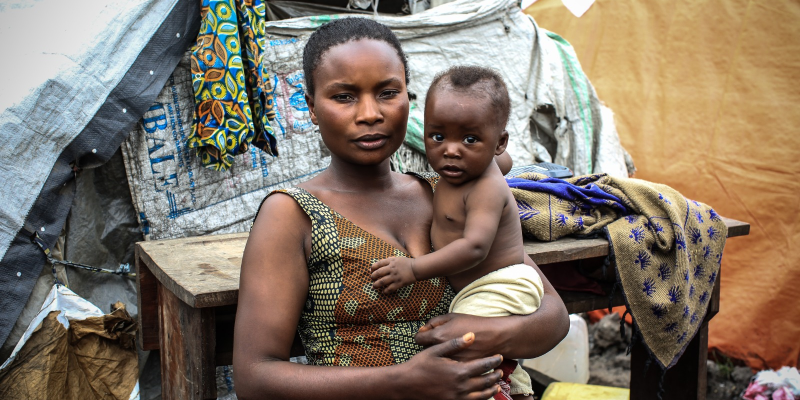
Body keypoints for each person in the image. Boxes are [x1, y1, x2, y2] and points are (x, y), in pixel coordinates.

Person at [232, 17, 569, 400]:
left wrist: (474, 333)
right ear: (311, 107)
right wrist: (404, 381)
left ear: (409, 98)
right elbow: (254, 378)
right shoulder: (291, 215)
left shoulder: (447, 193)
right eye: (344, 96)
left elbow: (553, 317)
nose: (370, 114)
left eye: (387, 93)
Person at [370, 66, 542, 399]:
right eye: (438, 136)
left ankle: (500, 389)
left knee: (461, 351)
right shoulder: (476, 167)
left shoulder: (484, 189)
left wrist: (413, 269)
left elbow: (475, 247)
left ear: (498, 142)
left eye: (469, 139)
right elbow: (502, 161)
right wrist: (483, 148)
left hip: (501, 285)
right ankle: (512, 380)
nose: (451, 150)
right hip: (482, 289)